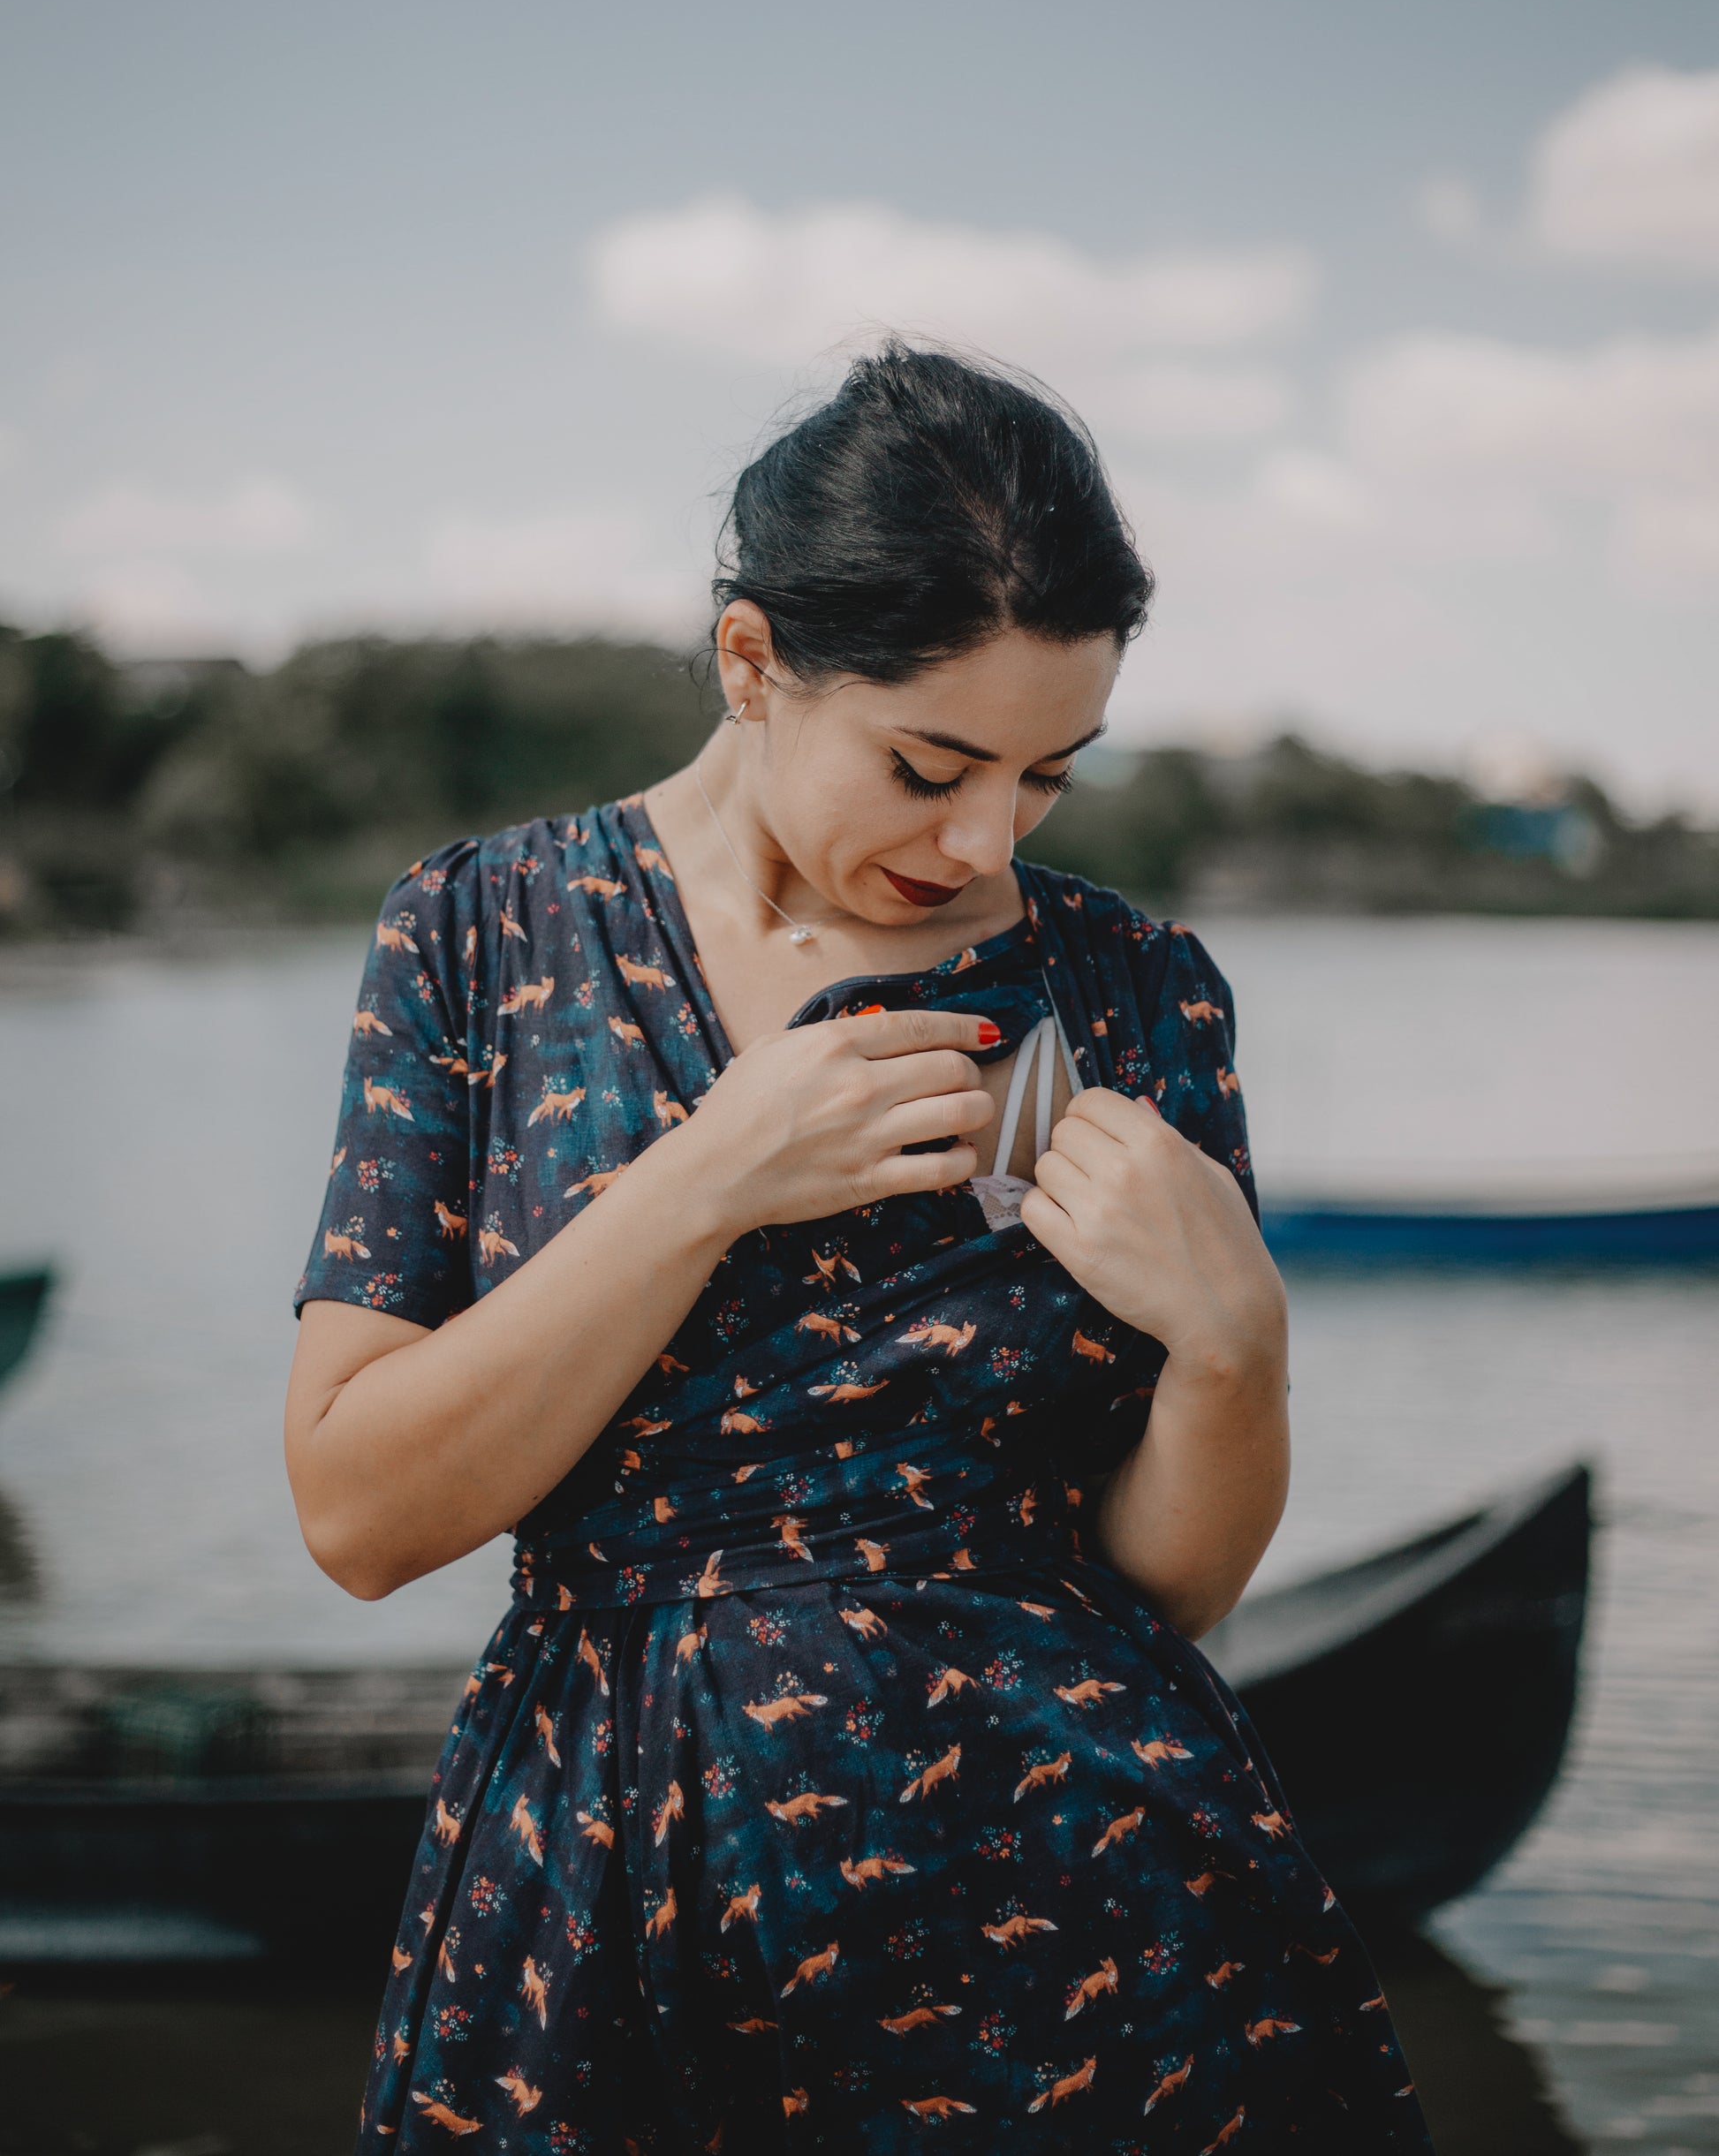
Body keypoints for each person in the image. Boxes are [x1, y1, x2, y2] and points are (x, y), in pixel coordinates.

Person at [285, 344, 1429, 2151]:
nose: (981, 835)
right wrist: (707, 1174)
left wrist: (1236, 1345)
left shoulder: (1121, 995)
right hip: (610, 1901)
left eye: (1048, 773)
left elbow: (1171, 1584)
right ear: (753, 659)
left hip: (1094, 1923)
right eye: (927, 760)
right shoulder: (480, 935)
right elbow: (359, 1511)